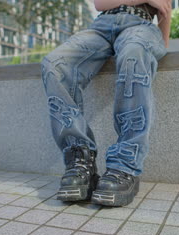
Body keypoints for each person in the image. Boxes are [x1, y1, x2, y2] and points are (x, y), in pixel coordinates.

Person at [40, 0, 172, 206]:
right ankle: (80, 160)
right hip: (101, 26)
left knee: (133, 55)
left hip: (141, 25)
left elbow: (166, 9)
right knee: (54, 63)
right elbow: (101, 3)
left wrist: (161, 44)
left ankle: (124, 166)